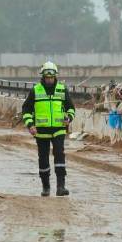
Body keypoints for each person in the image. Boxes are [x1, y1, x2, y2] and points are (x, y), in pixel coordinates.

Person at [22, 61, 75, 196]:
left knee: (59, 156)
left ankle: (61, 187)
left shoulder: (62, 89)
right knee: (43, 159)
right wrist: (30, 125)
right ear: (43, 76)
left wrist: (68, 117)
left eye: (52, 77)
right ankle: (46, 187)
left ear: (55, 76)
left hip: (58, 130)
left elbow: (71, 108)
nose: (49, 79)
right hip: (41, 132)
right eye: (47, 77)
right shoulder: (36, 90)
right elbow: (26, 109)